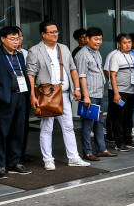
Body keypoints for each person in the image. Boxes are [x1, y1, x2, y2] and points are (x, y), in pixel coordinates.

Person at [26, 20, 90, 170]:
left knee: (68, 127)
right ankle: (48, 159)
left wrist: (77, 88)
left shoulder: (64, 48)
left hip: (65, 94)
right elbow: (31, 75)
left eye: (56, 31)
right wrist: (33, 96)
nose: (55, 34)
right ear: (43, 34)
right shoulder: (35, 50)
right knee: (47, 127)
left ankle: (73, 157)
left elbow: (73, 69)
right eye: (52, 32)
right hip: (47, 95)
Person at [0, 26, 31, 178]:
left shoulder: (19, 55)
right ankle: (0, 165)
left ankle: (15, 162)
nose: (15, 42)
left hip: (21, 96)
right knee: (2, 132)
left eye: (17, 38)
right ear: (3, 39)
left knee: (18, 131)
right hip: (5, 97)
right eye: (12, 39)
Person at [75, 27, 117, 161]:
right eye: (96, 39)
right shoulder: (82, 54)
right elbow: (81, 76)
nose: (99, 42)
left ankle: (102, 149)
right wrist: (85, 96)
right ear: (87, 39)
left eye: (100, 39)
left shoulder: (96, 52)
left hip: (98, 93)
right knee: (87, 125)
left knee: (99, 123)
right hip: (90, 94)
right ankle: (87, 152)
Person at [107, 33, 134, 152]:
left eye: (129, 42)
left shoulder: (130, 56)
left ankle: (128, 140)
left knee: (128, 117)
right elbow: (112, 76)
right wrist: (116, 93)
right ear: (119, 44)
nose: (127, 45)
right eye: (125, 43)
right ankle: (119, 143)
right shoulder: (115, 56)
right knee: (118, 117)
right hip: (119, 92)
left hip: (130, 91)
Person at [15, 27, 32, 162]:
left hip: (25, 92)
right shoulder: (3, 54)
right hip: (12, 93)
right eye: (15, 37)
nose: (18, 40)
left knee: (23, 125)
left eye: (20, 37)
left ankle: (22, 154)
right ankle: (13, 156)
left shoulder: (25, 53)